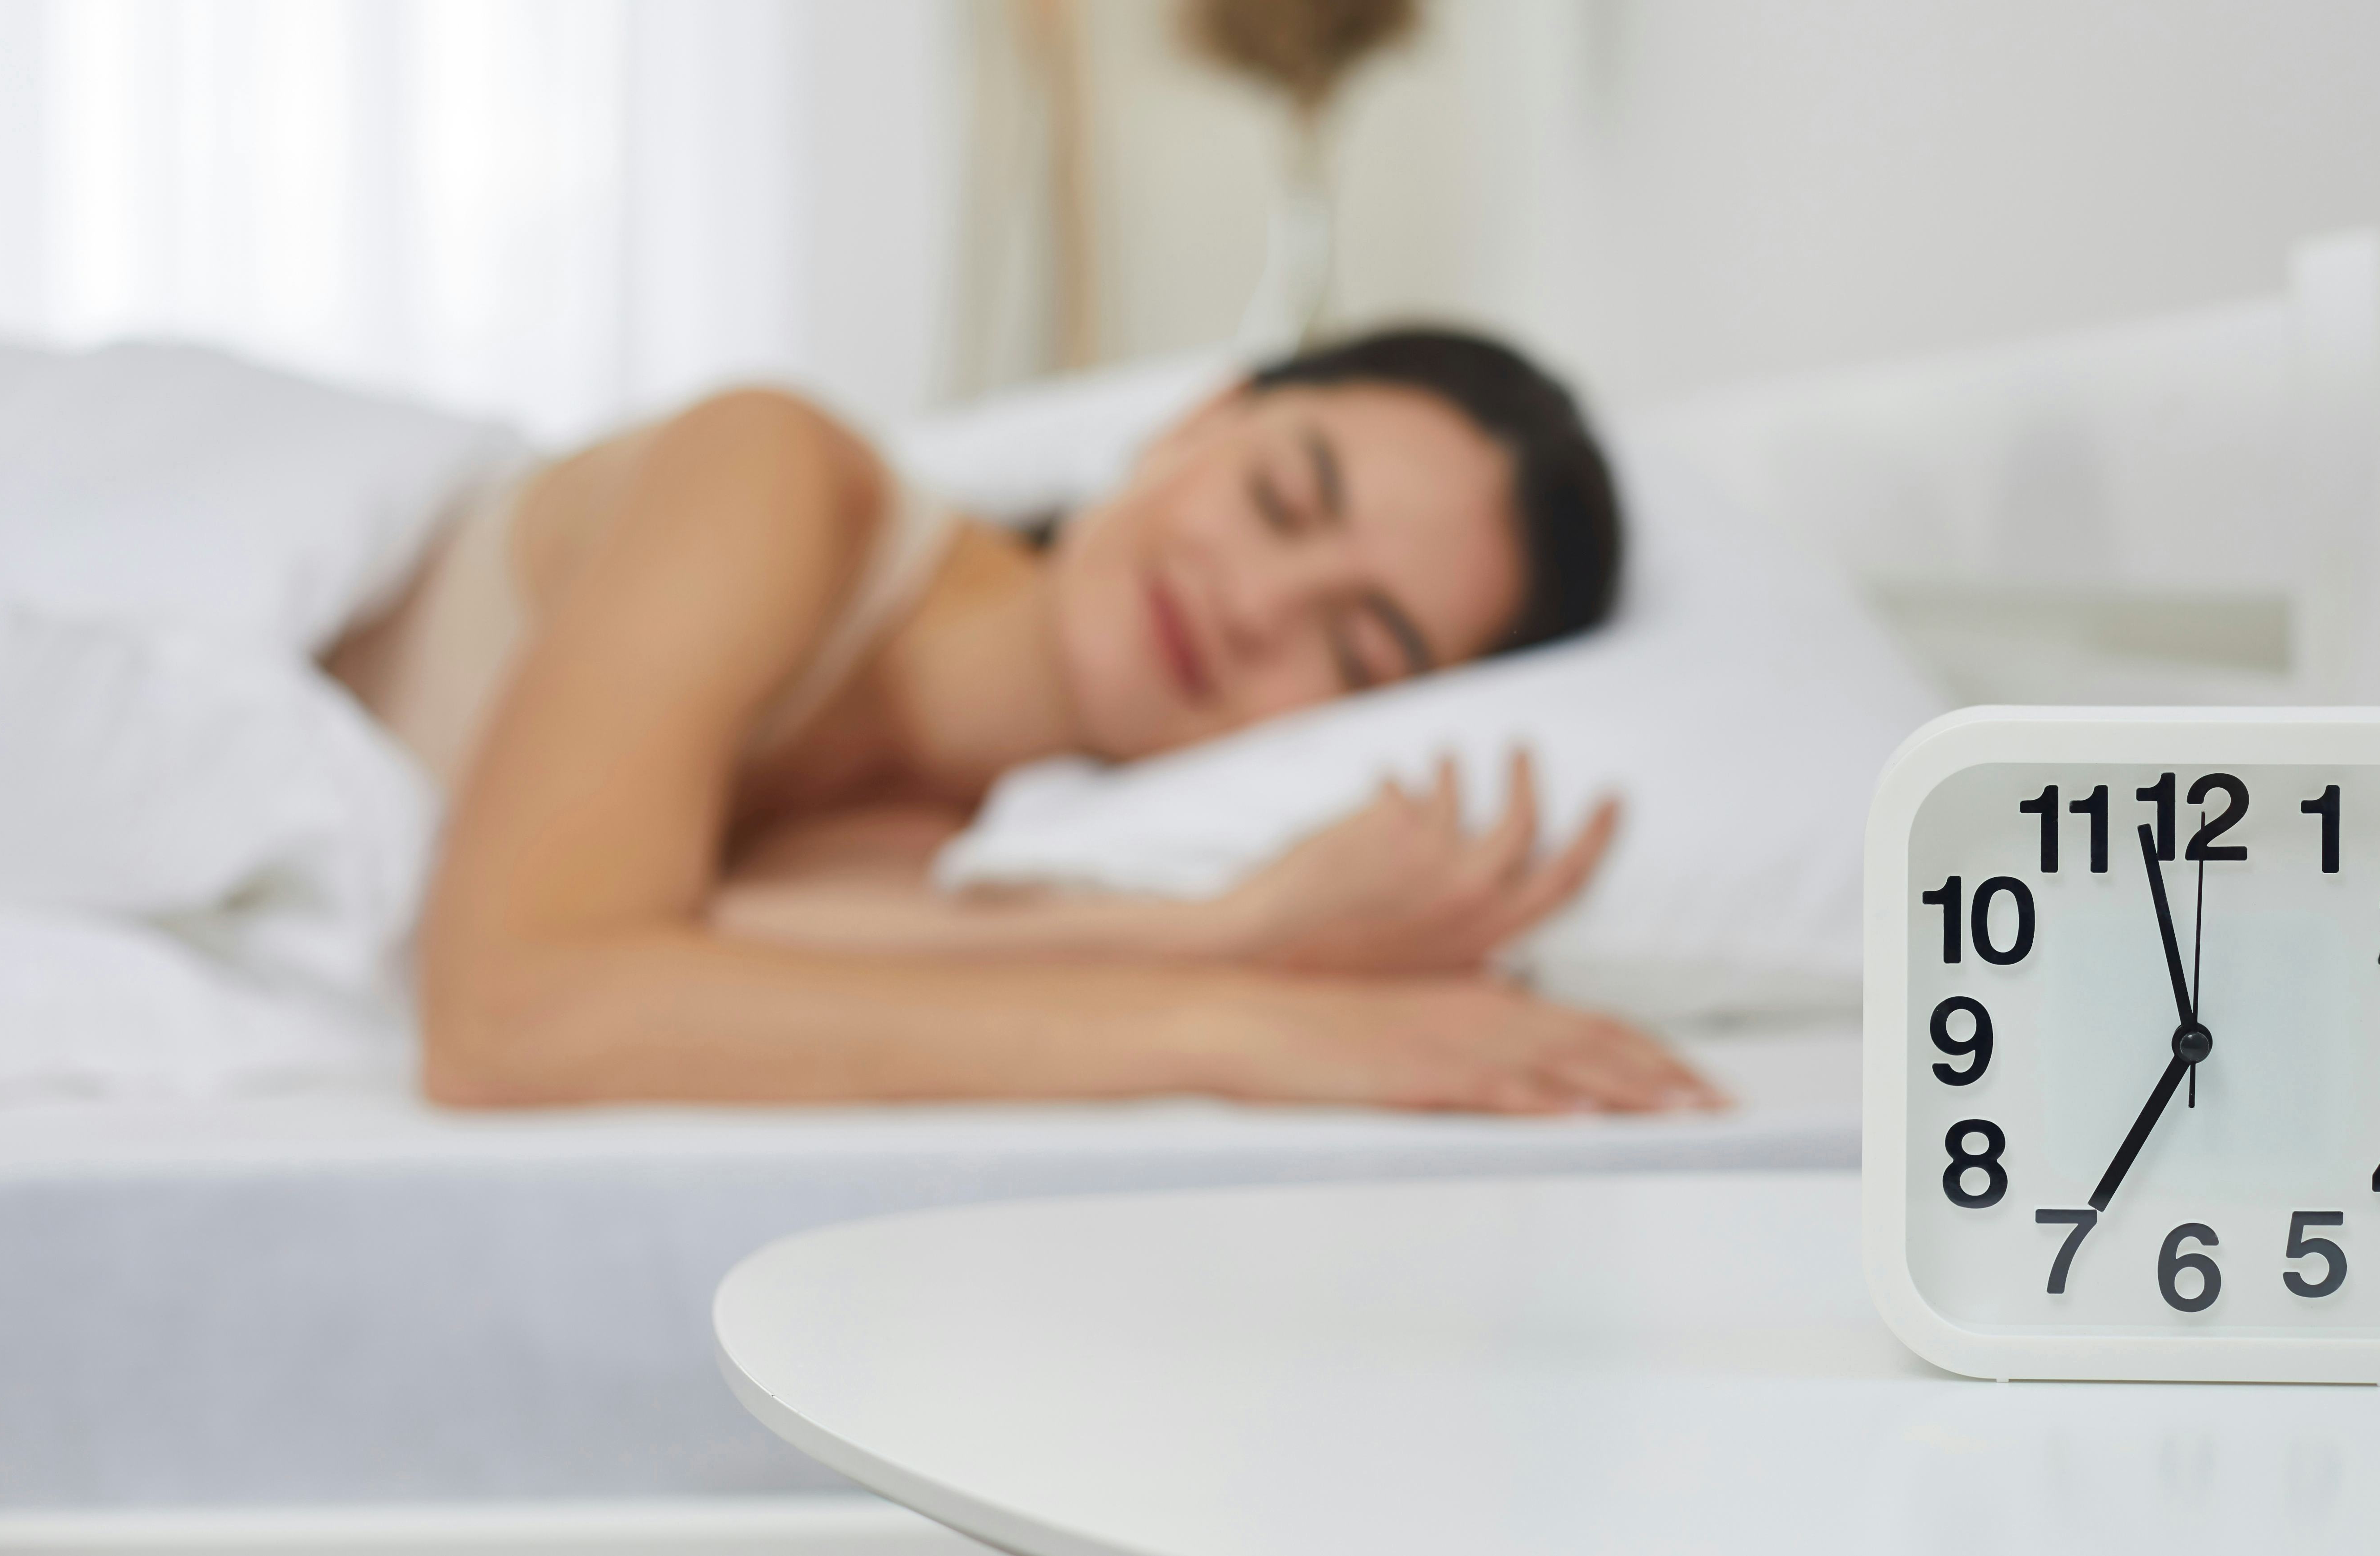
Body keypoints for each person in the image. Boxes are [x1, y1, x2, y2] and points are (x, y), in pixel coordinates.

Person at [323, 328, 1721, 1116]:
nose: (1252, 604)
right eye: (1282, 500)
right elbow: (516, 1014)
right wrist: (1234, 1022)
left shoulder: (966, 840)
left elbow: (706, 959)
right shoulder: (775, 477)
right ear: (1195, 421)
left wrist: (1225, 926)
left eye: (1356, 648)